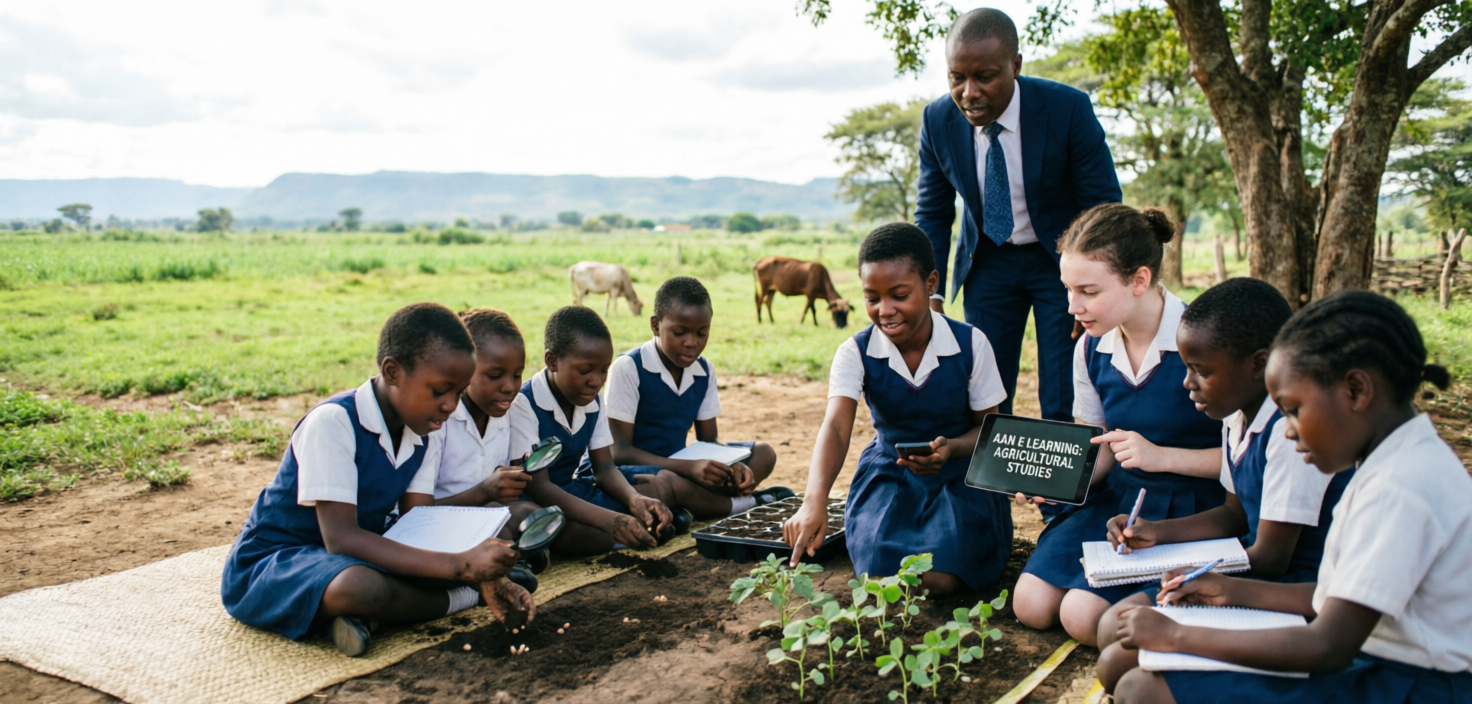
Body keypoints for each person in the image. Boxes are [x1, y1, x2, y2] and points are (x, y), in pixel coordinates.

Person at [1104, 290, 1470, 703]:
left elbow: (1329, 645)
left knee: (1141, 688)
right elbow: (1332, 599)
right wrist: (1228, 591)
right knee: (1128, 664)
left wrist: (1178, 635)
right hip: (1376, 658)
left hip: (1414, 683)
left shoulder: (1401, 488)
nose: (1289, 429)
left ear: (1356, 391)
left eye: (1294, 410)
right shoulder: (1393, 464)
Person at [221, 303, 534, 657]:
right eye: (439, 391)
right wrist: (463, 568)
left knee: (490, 533)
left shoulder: (422, 431)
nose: (450, 406)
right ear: (392, 371)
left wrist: (485, 563)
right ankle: (462, 596)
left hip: (358, 550)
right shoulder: (333, 423)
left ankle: (368, 617)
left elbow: (419, 522)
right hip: (278, 560)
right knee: (359, 587)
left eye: (458, 394)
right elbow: (340, 538)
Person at [1093, 277, 1355, 686]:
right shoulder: (1235, 415)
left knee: (1119, 663)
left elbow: (1271, 558)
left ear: (1257, 364)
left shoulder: (1290, 434)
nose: (1187, 383)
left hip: (1293, 586)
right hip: (1251, 570)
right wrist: (1155, 533)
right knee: (1113, 627)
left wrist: (1199, 574)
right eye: (1187, 368)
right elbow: (1234, 515)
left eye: (1201, 371)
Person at [914, 9, 1121, 474]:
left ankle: (1060, 506)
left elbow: (1103, 205)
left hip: (1062, 265)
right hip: (989, 264)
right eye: (957, 78)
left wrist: (1089, 289)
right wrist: (930, 292)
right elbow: (933, 213)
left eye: (985, 77)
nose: (970, 93)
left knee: (1063, 389)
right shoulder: (938, 120)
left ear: (1016, 66)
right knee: (988, 390)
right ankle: (991, 502)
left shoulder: (1067, 109)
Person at [1013, 204, 1224, 646]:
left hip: (1193, 508)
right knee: (1030, 605)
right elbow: (1101, 449)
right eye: (1068, 289)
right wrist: (1057, 479)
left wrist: (1161, 456)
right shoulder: (1090, 350)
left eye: (1088, 291)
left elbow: (1249, 460)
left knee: (1081, 615)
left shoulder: (1206, 341)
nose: (1072, 306)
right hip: (1120, 504)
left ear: (1139, 280)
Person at [783, 223, 1012, 597]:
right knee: (879, 575)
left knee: (940, 577)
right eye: (872, 298)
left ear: (931, 283)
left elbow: (991, 429)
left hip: (959, 474)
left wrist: (951, 449)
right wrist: (815, 501)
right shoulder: (855, 351)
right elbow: (837, 428)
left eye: (900, 295)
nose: (885, 311)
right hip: (889, 472)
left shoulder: (970, 343)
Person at [604, 276, 793, 519]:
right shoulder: (629, 368)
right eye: (680, 332)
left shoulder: (703, 370)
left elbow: (709, 440)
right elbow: (618, 452)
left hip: (681, 464)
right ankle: (745, 504)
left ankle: (693, 506)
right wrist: (689, 468)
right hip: (634, 472)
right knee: (664, 485)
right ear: (655, 325)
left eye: (702, 333)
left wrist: (731, 467)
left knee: (764, 453)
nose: (691, 343)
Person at [520, 305, 675, 556]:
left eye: (604, 370)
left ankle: (632, 528)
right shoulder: (525, 404)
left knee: (653, 490)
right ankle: (622, 535)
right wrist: (610, 520)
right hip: (537, 502)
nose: (596, 380)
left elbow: (604, 468)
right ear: (552, 361)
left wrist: (634, 500)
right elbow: (540, 488)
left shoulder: (592, 401)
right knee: (579, 532)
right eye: (584, 371)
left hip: (572, 493)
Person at [430, 308, 549, 577]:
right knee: (499, 522)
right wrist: (485, 492)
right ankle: (503, 566)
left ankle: (508, 561)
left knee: (530, 514)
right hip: (438, 521)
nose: (509, 386)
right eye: (495, 375)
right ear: (464, 370)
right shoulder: (439, 419)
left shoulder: (513, 409)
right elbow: (416, 512)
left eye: (517, 375)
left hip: (485, 513)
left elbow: (524, 478)